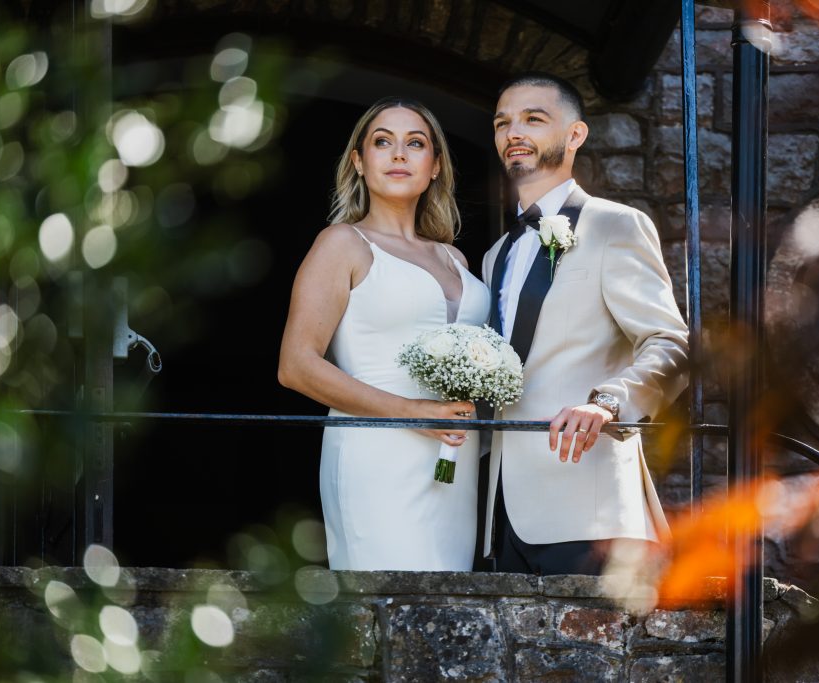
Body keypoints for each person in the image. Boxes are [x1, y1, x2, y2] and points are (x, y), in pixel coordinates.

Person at [482, 73, 689, 575]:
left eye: (534, 118)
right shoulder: (494, 256)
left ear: (575, 135)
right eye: (503, 122)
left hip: (590, 507)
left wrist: (610, 401)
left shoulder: (615, 225)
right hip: (503, 511)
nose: (514, 132)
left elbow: (671, 344)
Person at [278, 97, 491, 571]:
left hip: (452, 461)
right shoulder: (341, 244)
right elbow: (296, 366)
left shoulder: (454, 258)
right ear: (359, 161)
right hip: (375, 454)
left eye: (415, 144)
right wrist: (411, 412)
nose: (399, 154)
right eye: (382, 142)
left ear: (435, 166)